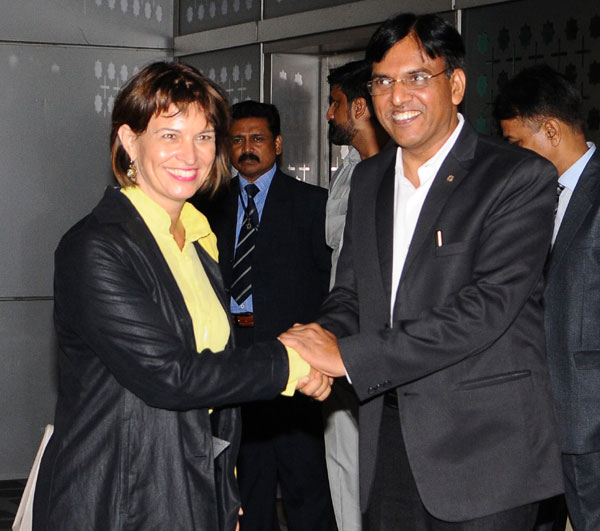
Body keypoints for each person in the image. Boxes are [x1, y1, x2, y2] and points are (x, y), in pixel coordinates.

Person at [280, 13, 564, 531]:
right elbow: (352, 292)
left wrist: (346, 356)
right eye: (383, 82)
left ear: (455, 85)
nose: (397, 97)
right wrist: (319, 337)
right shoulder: (368, 180)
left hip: (484, 454)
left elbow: (484, 309)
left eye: (416, 78)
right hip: (386, 440)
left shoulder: (516, 177)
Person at [32, 62, 331, 531]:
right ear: (129, 141)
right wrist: (291, 362)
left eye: (204, 136)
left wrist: (223, 490)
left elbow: (216, 378)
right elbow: (171, 375)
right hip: (116, 496)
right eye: (170, 135)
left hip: (186, 484)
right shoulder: (96, 247)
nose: (190, 154)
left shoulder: (197, 236)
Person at [193, 100, 334, 531]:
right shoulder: (208, 204)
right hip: (235, 358)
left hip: (293, 356)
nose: (247, 148)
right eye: (237, 140)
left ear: (277, 144)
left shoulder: (312, 203)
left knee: (304, 482)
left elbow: (329, 285)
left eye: (257, 139)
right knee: (247, 483)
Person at [495, 63, 600, 531]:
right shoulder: (531, 199)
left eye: (517, 143)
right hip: (537, 418)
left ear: (551, 130)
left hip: (589, 419)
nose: (512, 156)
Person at [323, 58, 388, 531]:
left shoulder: (398, 171)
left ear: (360, 108)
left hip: (381, 344)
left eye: (336, 103)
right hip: (339, 336)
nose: (329, 114)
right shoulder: (347, 170)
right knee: (342, 458)